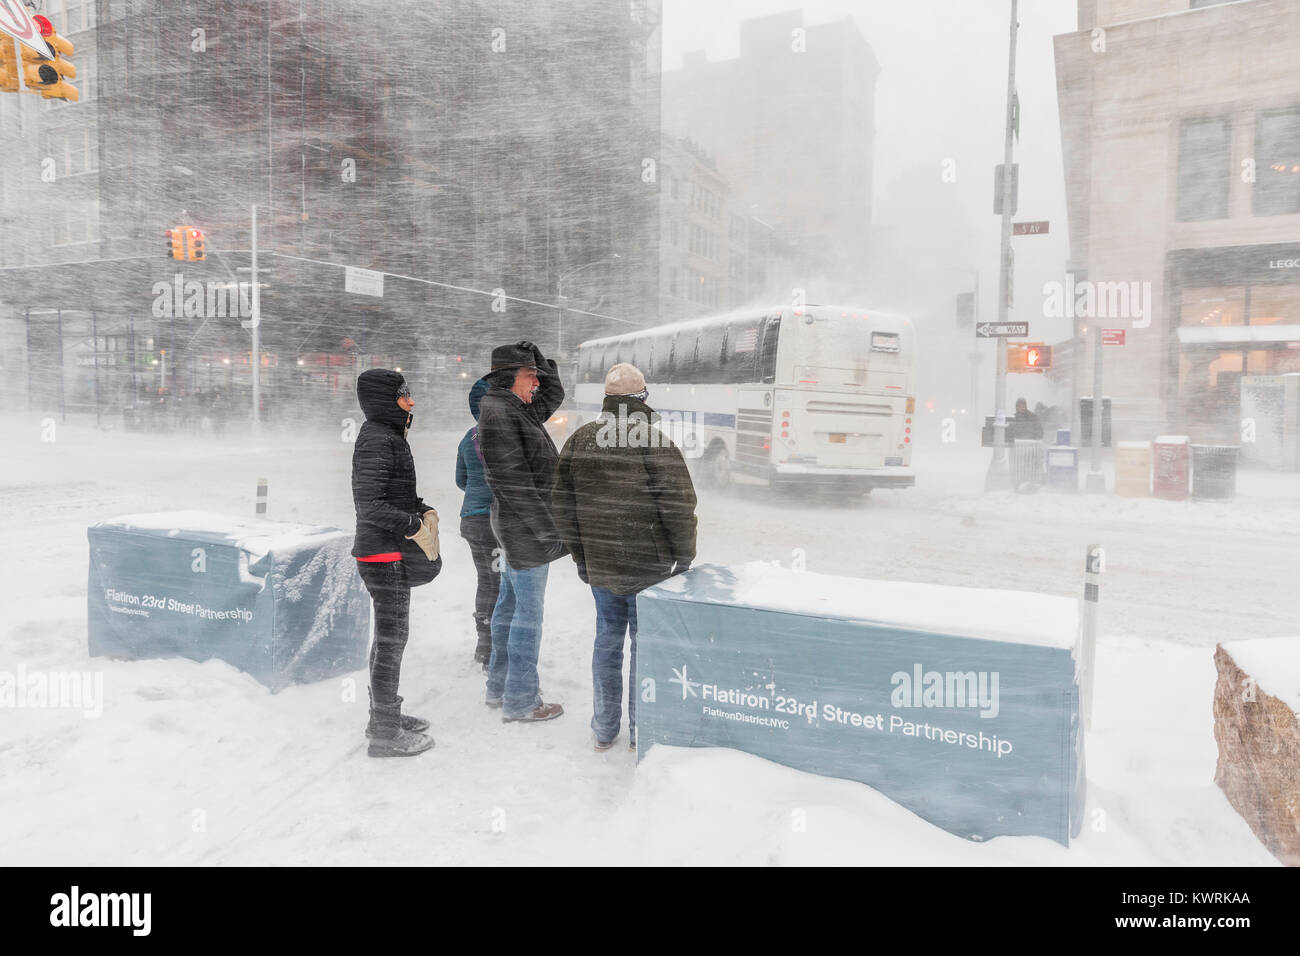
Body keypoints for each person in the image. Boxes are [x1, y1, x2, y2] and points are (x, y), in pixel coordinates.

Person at [552, 363, 698, 751]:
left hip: (601, 565)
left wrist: (581, 556)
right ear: (641, 399)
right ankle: (640, 729)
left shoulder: (580, 440)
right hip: (648, 566)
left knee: (607, 641)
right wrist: (683, 557)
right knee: (643, 645)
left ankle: (603, 729)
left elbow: (562, 507)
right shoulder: (654, 441)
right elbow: (679, 506)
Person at [477, 340, 567, 723]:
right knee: (527, 617)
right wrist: (549, 533)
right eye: (530, 376)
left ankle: (499, 687)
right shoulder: (502, 415)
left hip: (516, 528)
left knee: (508, 609)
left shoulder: (517, 409)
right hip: (524, 531)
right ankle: (521, 700)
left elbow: (554, 394)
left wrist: (542, 361)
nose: (537, 384)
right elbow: (515, 485)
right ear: (509, 377)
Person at [350, 368, 439, 758]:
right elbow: (369, 504)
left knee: (388, 639)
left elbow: (391, 494)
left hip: (385, 550)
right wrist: (413, 525)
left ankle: (383, 716)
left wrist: (421, 508)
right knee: (391, 640)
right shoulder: (377, 439)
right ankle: (385, 733)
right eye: (405, 394)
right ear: (387, 399)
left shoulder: (387, 436)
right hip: (382, 554)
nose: (412, 400)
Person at [455, 377, 500, 669]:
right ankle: (492, 647)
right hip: (495, 524)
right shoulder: (502, 437)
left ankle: (483, 644)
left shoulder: (468, 438)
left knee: (486, 581)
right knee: (498, 583)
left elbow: (461, 480)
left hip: (471, 521)